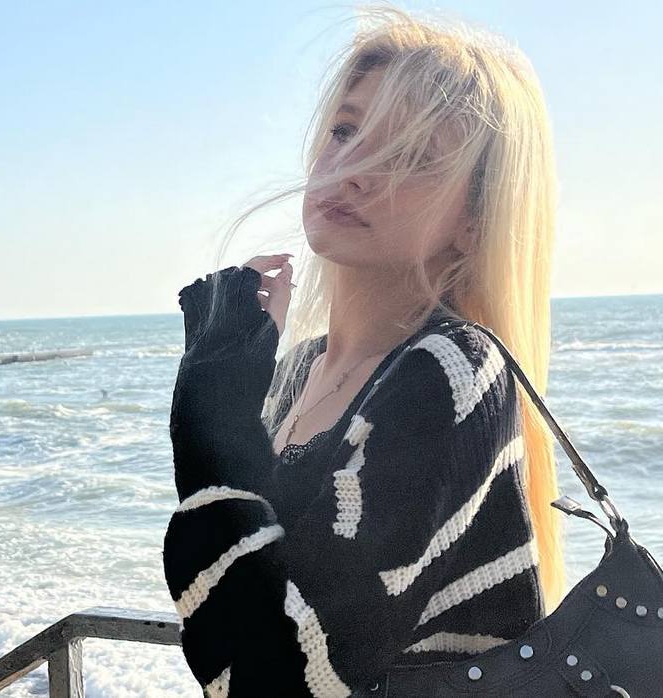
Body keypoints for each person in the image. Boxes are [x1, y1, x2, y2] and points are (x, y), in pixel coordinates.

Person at [163, 6, 564, 696]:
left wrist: (209, 407)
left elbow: (279, 679)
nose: (353, 168)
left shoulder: (455, 373)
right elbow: (232, 623)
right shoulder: (295, 374)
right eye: (346, 131)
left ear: (474, 220)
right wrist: (223, 392)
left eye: (413, 156)